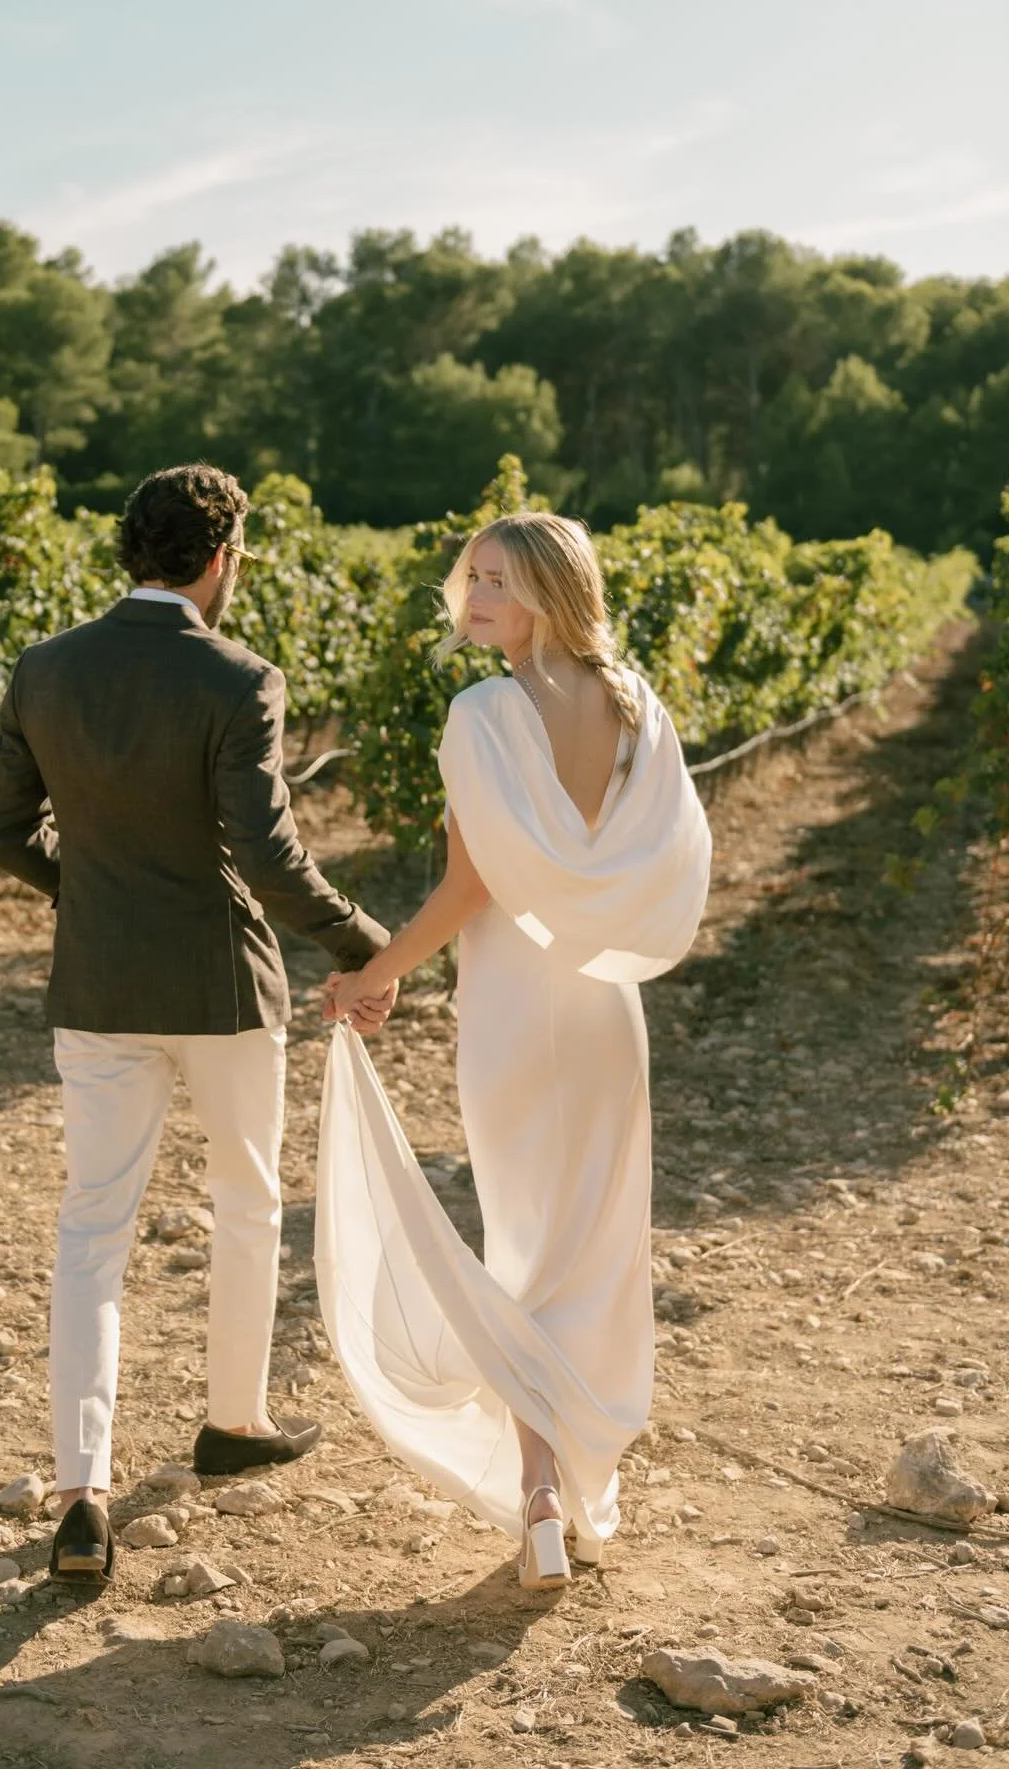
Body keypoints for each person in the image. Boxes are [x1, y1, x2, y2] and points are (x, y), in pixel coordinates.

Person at [0, 462, 395, 1589]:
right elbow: (268, 856)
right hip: (219, 987)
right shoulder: (239, 677)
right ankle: (232, 1420)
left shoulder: (46, 668)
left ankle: (80, 1490)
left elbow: (0, 827)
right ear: (219, 559)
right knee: (246, 1203)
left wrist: (87, 894)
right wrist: (366, 944)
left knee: (92, 1228)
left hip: (99, 988)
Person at [318, 510, 711, 1590]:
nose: (473, 599)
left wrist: (372, 975)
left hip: (511, 1008)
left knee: (528, 1245)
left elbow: (469, 888)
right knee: (591, 1248)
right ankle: (574, 1490)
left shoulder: (483, 712)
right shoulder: (639, 709)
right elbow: (667, 866)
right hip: (606, 1006)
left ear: (549, 592)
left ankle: (541, 1496)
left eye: (497, 582)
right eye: (472, 579)